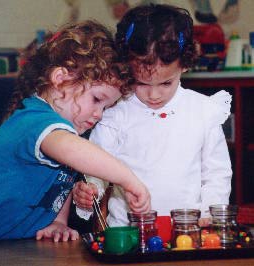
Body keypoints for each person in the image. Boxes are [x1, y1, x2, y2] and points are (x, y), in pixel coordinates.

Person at [0, 20, 151, 241]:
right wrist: (128, 179)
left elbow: (61, 178)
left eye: (106, 107)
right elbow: (72, 151)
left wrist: (58, 222)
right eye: (96, 99)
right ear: (60, 79)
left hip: (10, 247)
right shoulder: (34, 120)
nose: (99, 114)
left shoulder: (61, 131)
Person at [73, 4, 232, 228]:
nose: (154, 95)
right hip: (128, 232)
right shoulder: (116, 113)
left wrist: (210, 212)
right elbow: (96, 167)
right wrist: (91, 191)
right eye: (142, 83)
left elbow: (217, 174)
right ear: (127, 67)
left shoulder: (203, 111)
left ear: (184, 66)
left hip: (189, 229)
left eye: (166, 83)